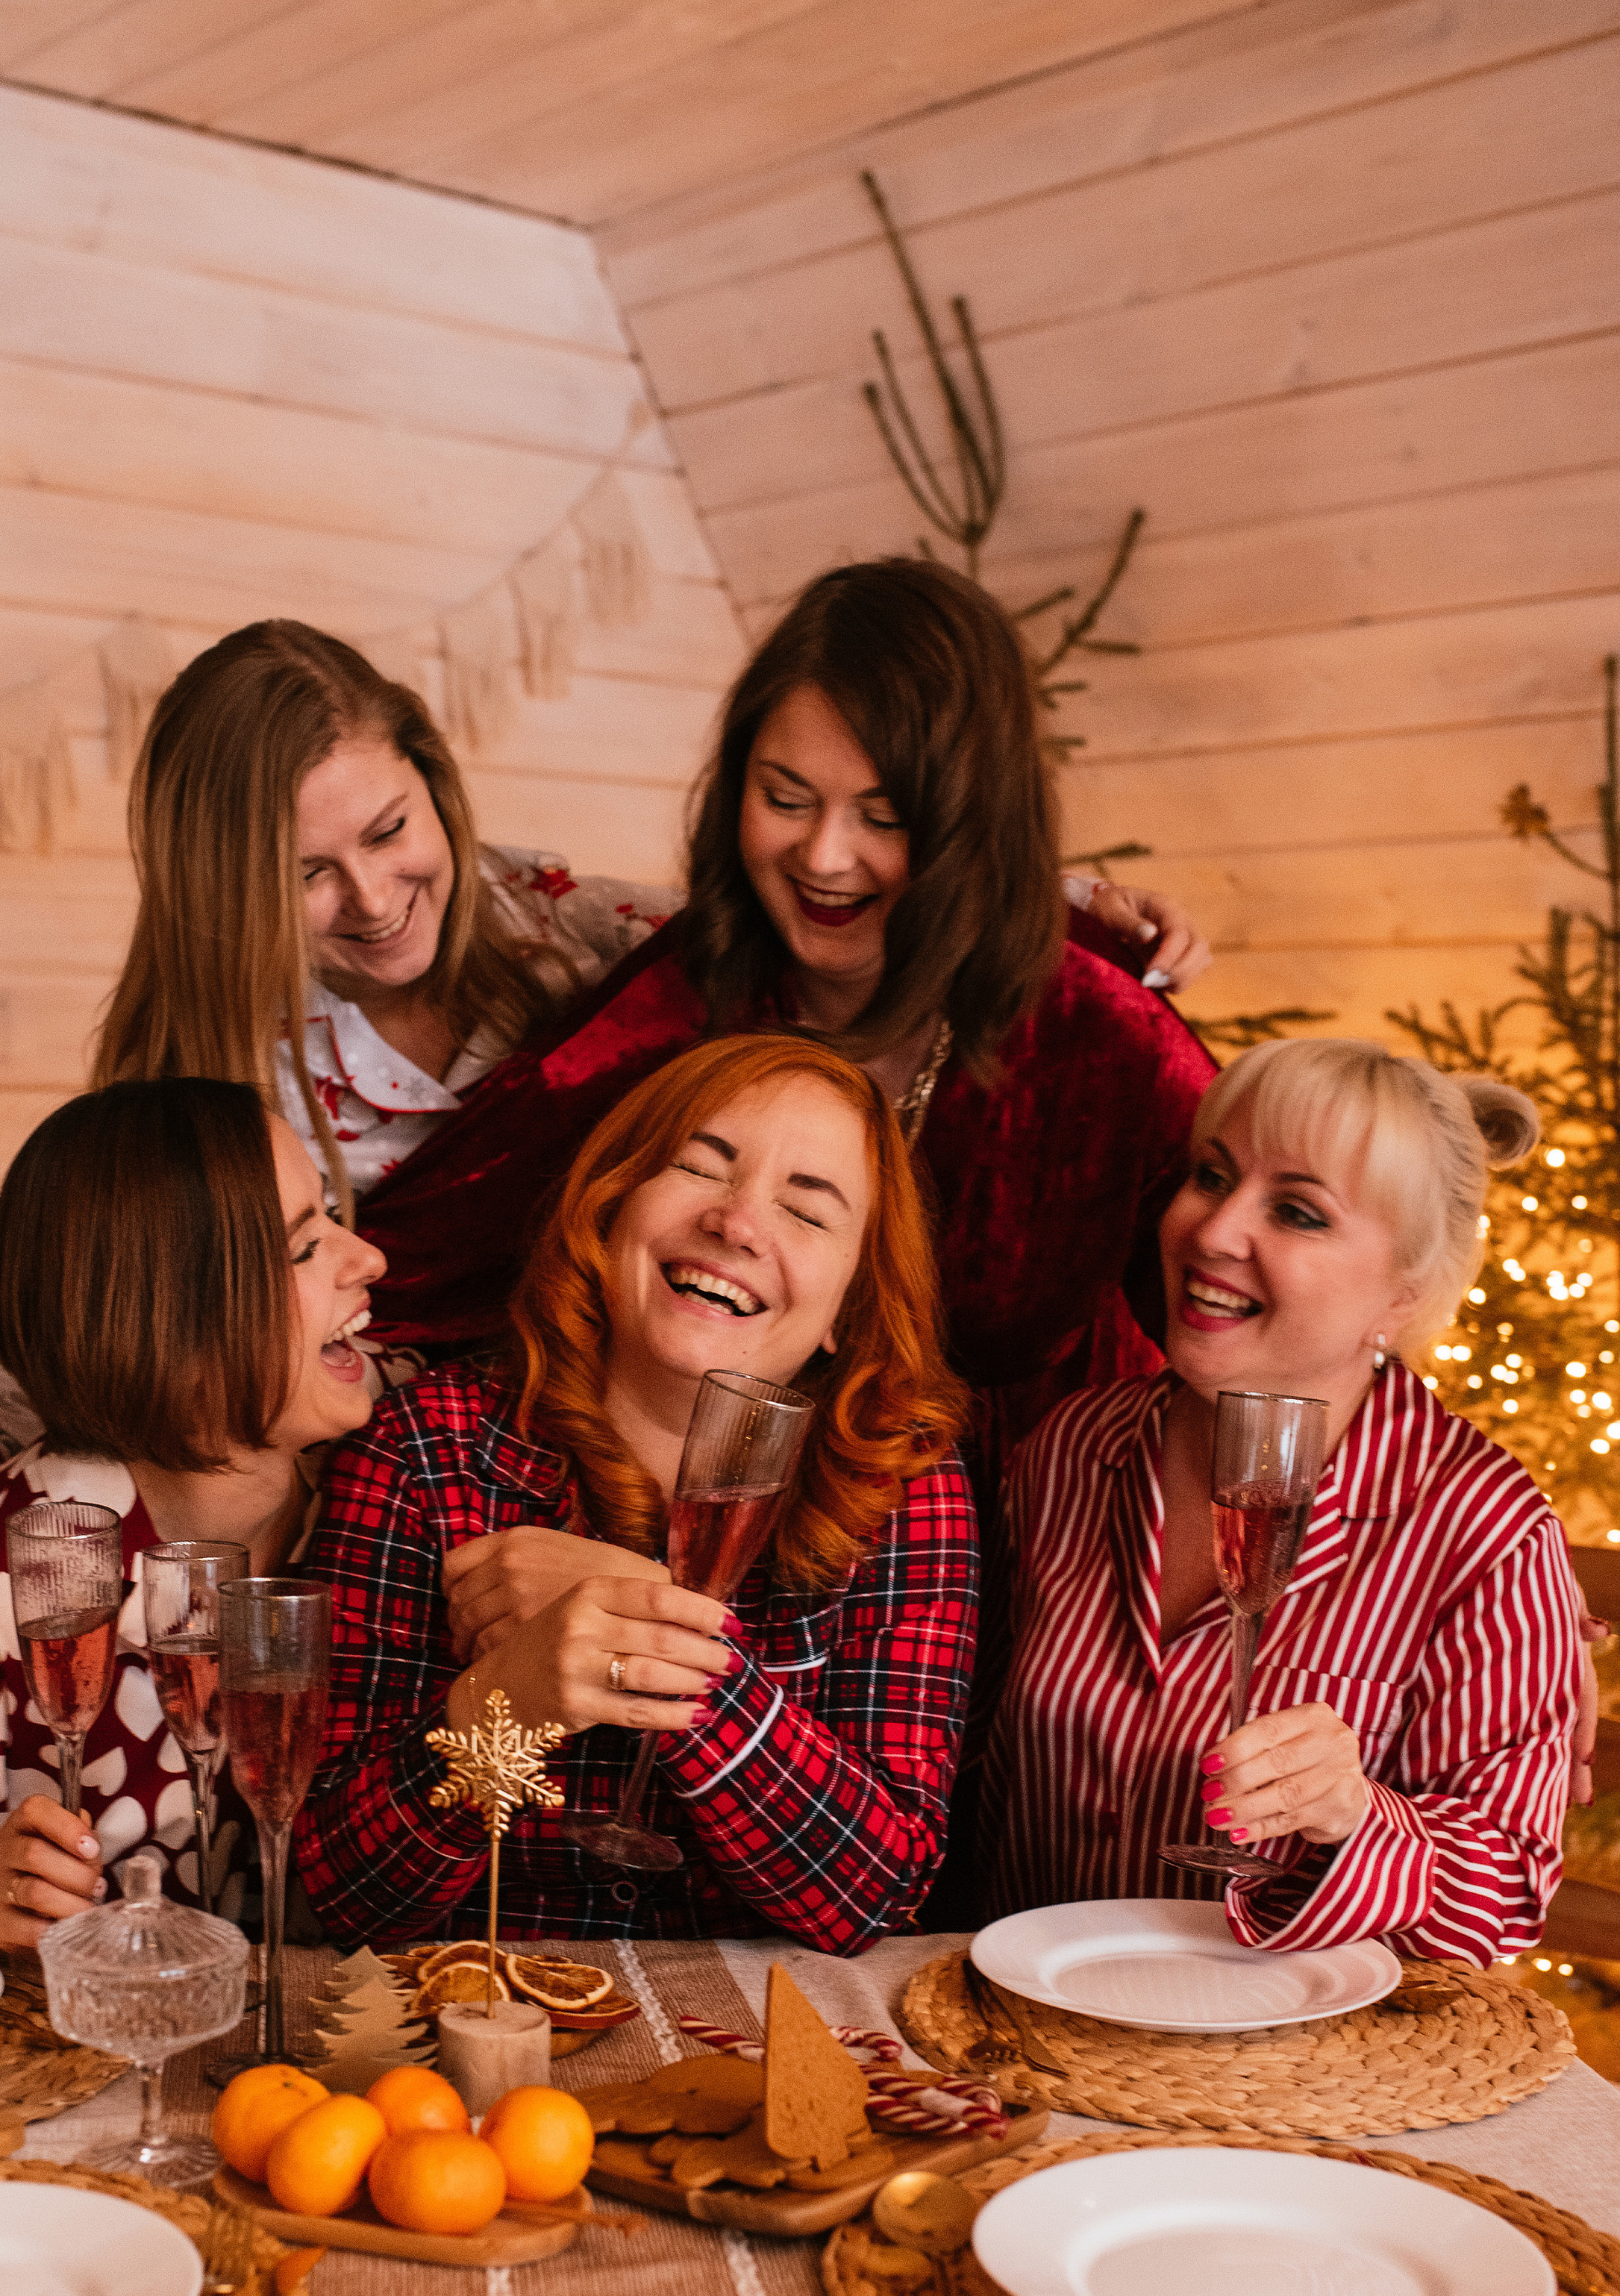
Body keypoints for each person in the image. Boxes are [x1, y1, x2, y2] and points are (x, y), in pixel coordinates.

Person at [0, 593, 1209, 1668]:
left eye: (390, 831)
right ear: (230, 887)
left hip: (652, 1494)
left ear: (437, 784)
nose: (375, 897)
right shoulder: (210, 1063)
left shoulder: (579, 938)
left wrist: (1052, 899)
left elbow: (814, 908)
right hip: (362, 1530)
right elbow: (103, 1302)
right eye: (306, 873)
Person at [348, 557, 1217, 1488]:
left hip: (1055, 1549)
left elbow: (1273, 1288)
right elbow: (419, 1256)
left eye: (882, 816)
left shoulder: (1107, 1034)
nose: (824, 856)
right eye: (785, 799)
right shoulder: (681, 996)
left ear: (971, 825)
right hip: (726, 1551)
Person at [294, 1033, 978, 1949]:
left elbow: (874, 1896)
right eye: (700, 1167)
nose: (737, 1223)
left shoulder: (902, 1485)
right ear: (611, 1208)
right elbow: (346, 1892)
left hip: (762, 2040)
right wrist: (511, 1698)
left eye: (808, 1213)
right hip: (471, 2022)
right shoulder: (428, 1449)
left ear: (846, 1312)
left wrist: (648, 1637)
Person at [977, 1038, 1584, 1962]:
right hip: (1025, 2043)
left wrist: (1353, 1815)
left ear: (1405, 1292)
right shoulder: (1067, 1451)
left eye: (1296, 1212)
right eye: (1210, 1176)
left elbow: (1503, 1904)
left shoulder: (1484, 1532)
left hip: (1285, 2080)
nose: (1214, 1232)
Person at [0, 1080, 382, 1946]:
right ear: (170, 1327)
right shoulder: (7, 1570)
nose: (370, 1260)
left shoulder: (404, 1485)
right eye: (306, 1248)